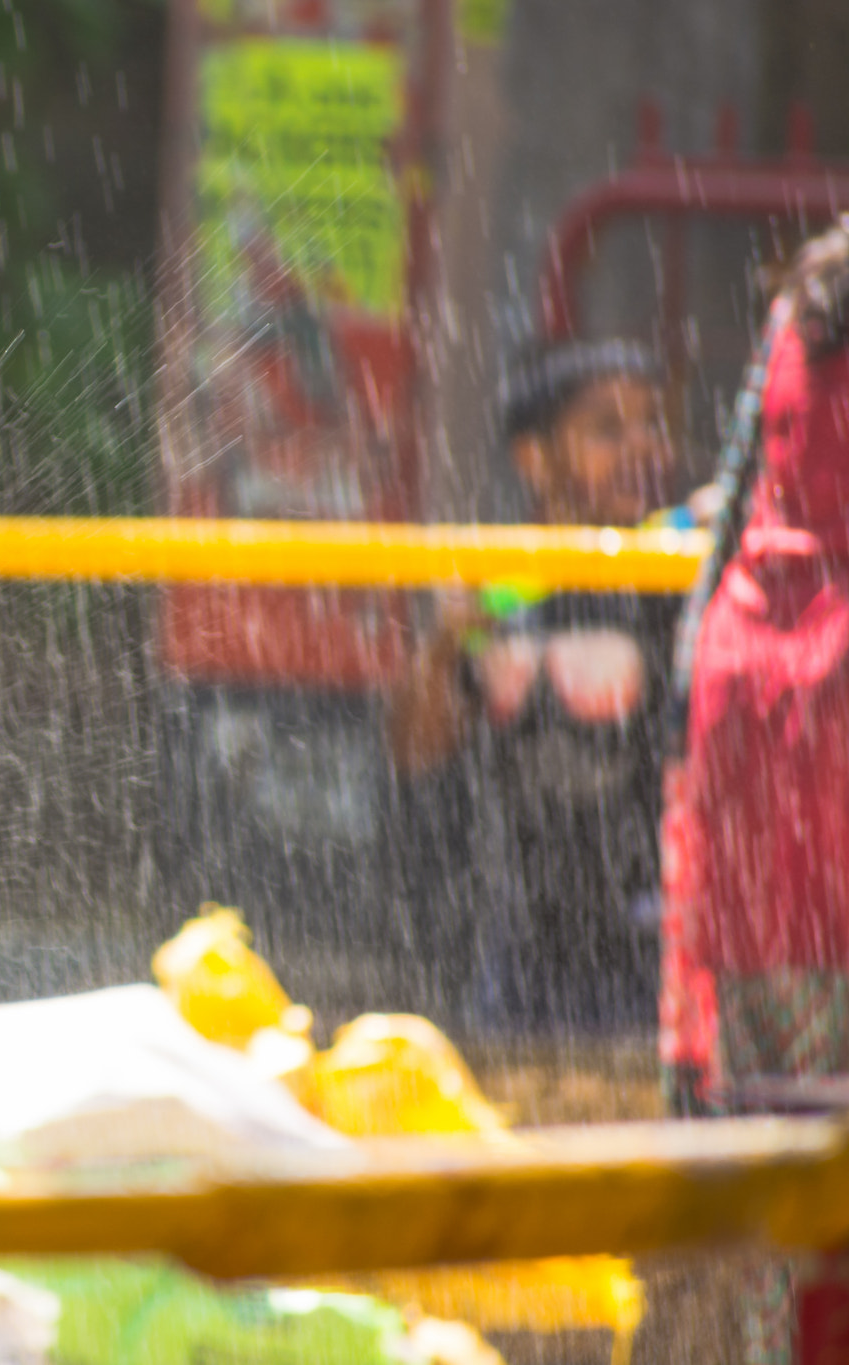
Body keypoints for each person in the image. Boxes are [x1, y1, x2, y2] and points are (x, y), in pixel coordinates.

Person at [661, 217, 849, 1365]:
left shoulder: (796, 310)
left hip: (747, 721)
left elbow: (724, 523)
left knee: (775, 1117)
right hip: (818, 726)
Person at [385, 339, 684, 1031]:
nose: (641, 446)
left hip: (654, 937)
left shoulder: (672, 565)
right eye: (608, 430)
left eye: (651, 425)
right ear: (536, 457)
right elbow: (413, 750)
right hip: (524, 947)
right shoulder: (504, 583)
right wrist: (445, 641)